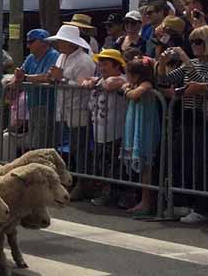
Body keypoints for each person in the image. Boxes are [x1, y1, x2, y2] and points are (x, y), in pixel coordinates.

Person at [157, 25, 208, 224]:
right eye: (192, 42)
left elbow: (203, 84)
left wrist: (186, 60)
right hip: (186, 116)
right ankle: (184, 202)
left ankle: (203, 207)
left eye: (199, 42)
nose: (195, 46)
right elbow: (164, 80)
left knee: (201, 163)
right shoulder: (194, 62)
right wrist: (162, 63)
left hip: (205, 118)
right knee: (183, 160)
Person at [47, 24, 97, 198]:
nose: (60, 44)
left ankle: (83, 183)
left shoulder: (84, 61)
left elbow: (84, 86)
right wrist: (55, 78)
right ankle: (73, 180)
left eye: (63, 41)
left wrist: (62, 79)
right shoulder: (61, 57)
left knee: (79, 147)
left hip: (79, 108)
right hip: (64, 107)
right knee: (69, 147)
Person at [83, 49, 128, 207]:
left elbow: (111, 84)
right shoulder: (99, 80)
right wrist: (92, 81)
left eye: (106, 64)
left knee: (117, 167)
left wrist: (94, 81)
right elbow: (85, 82)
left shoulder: (123, 79)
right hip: (99, 132)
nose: (102, 67)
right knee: (103, 165)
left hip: (116, 132)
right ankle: (106, 193)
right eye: (100, 64)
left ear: (117, 66)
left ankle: (120, 196)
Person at [122, 57, 161, 216]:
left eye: (128, 74)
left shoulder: (147, 84)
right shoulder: (136, 83)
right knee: (143, 166)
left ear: (137, 75)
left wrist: (125, 89)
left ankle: (146, 202)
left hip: (146, 126)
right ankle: (143, 200)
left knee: (147, 166)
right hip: (138, 124)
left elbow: (133, 95)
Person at [13, 29, 59, 149]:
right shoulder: (30, 57)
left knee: (40, 143)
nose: (28, 45)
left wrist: (26, 77)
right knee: (34, 141)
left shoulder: (54, 55)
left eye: (31, 42)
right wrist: (17, 77)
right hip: (32, 105)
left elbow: (48, 77)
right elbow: (21, 73)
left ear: (43, 42)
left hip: (47, 105)